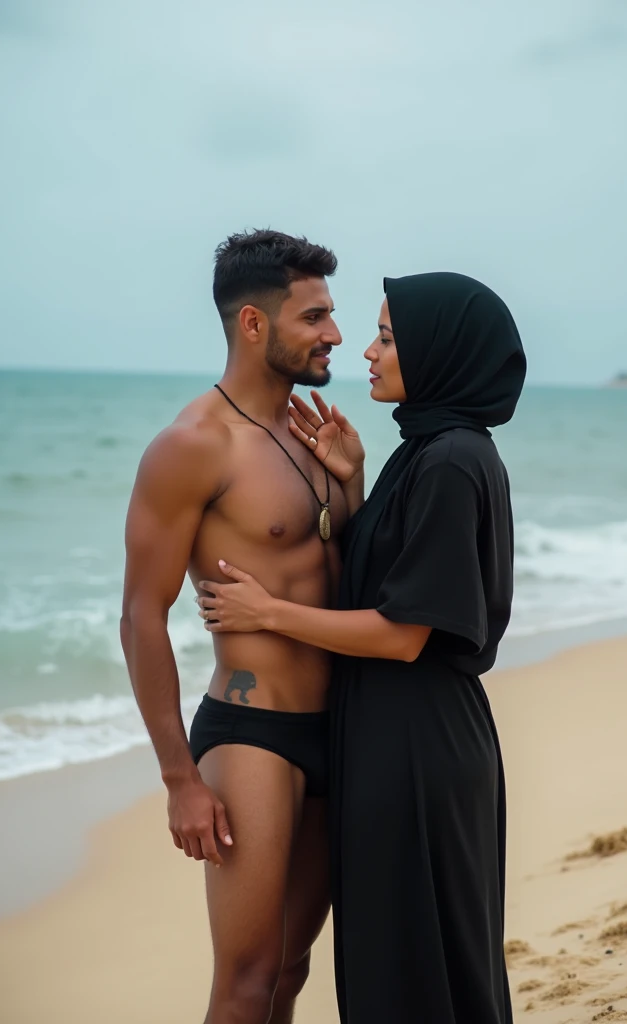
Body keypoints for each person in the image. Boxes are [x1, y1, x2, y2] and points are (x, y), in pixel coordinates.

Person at [196, 271, 527, 1024]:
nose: (367, 351)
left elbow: (402, 633)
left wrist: (268, 612)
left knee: (417, 964)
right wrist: (354, 487)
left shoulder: (448, 460)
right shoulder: (427, 451)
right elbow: (387, 583)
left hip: (417, 744)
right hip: (401, 736)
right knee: (409, 958)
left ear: (439, 352)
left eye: (387, 336)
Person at [121, 229, 365, 1024]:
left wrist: (350, 484)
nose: (335, 334)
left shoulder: (304, 434)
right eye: (317, 317)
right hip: (253, 736)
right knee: (247, 980)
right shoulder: (193, 447)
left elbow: (340, 574)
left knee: (290, 971)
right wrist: (179, 780)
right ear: (255, 325)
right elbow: (140, 617)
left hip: (339, 730)